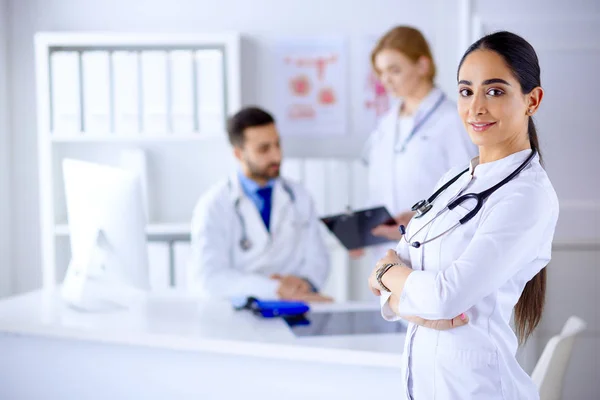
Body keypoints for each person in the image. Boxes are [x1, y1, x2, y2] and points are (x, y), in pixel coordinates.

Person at [367, 31, 559, 399]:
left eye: (495, 91)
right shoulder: (455, 180)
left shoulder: (528, 196)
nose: (475, 108)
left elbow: (442, 297)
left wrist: (391, 276)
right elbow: (387, 277)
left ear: (532, 100)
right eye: (466, 91)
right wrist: (395, 290)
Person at [354, 26, 477, 258]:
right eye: (380, 72)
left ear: (422, 65)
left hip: (435, 249)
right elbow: (378, 188)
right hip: (386, 253)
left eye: (394, 70)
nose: (385, 80)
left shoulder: (453, 120)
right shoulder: (386, 124)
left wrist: (421, 219)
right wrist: (362, 231)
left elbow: (468, 191)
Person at [188, 107, 331, 302]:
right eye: (264, 149)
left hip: (296, 305)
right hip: (238, 313)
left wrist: (303, 284)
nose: (277, 156)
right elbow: (210, 277)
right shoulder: (214, 205)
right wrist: (274, 288)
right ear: (239, 154)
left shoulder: (299, 196)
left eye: (277, 145)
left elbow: (318, 260)